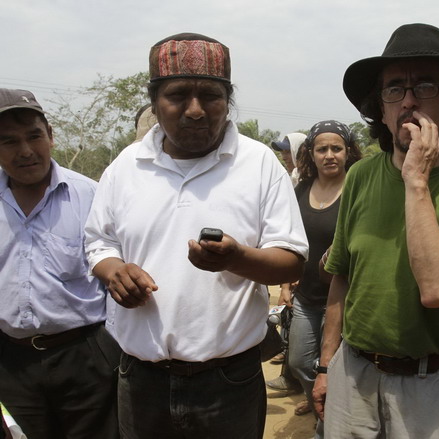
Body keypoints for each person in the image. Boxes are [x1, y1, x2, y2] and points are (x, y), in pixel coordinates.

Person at [84, 33, 309, 438]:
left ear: (228, 101)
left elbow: (291, 260)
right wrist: (114, 270)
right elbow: (99, 242)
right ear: (154, 103)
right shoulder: (126, 165)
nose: (195, 110)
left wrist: (236, 258)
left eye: (210, 95)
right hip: (139, 378)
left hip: (228, 381)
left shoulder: (258, 163)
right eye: (177, 95)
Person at [312, 23, 439, 438]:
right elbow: (341, 279)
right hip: (353, 374)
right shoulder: (363, 174)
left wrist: (416, 180)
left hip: (429, 385)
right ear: (380, 109)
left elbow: (437, 288)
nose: (409, 101)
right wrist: (327, 365)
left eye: (426, 86)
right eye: (394, 89)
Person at [0, 88, 120, 438]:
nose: (25, 151)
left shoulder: (91, 196)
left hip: (85, 358)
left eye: (34, 136)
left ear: (50, 136)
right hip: (11, 361)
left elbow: (113, 275)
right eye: (8, 141)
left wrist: (107, 352)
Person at [282, 120, 361, 434]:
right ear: (310, 154)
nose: (330, 155)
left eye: (336, 148)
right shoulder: (300, 189)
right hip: (307, 296)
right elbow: (289, 240)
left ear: (347, 152)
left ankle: (330, 421)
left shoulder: (357, 188)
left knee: (338, 367)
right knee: (299, 361)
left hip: (343, 298)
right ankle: (322, 404)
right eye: (322, 149)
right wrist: (286, 287)